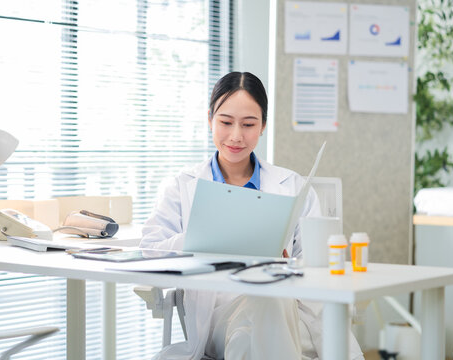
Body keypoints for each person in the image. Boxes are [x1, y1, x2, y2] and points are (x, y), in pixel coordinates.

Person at [140, 72, 363, 360]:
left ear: (263, 126)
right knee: (260, 314)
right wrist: (202, 239)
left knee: (263, 312)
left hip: (291, 314)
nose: (236, 136)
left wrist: (288, 266)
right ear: (210, 120)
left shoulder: (293, 186)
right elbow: (149, 250)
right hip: (218, 318)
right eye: (225, 122)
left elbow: (317, 266)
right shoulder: (182, 185)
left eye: (248, 125)